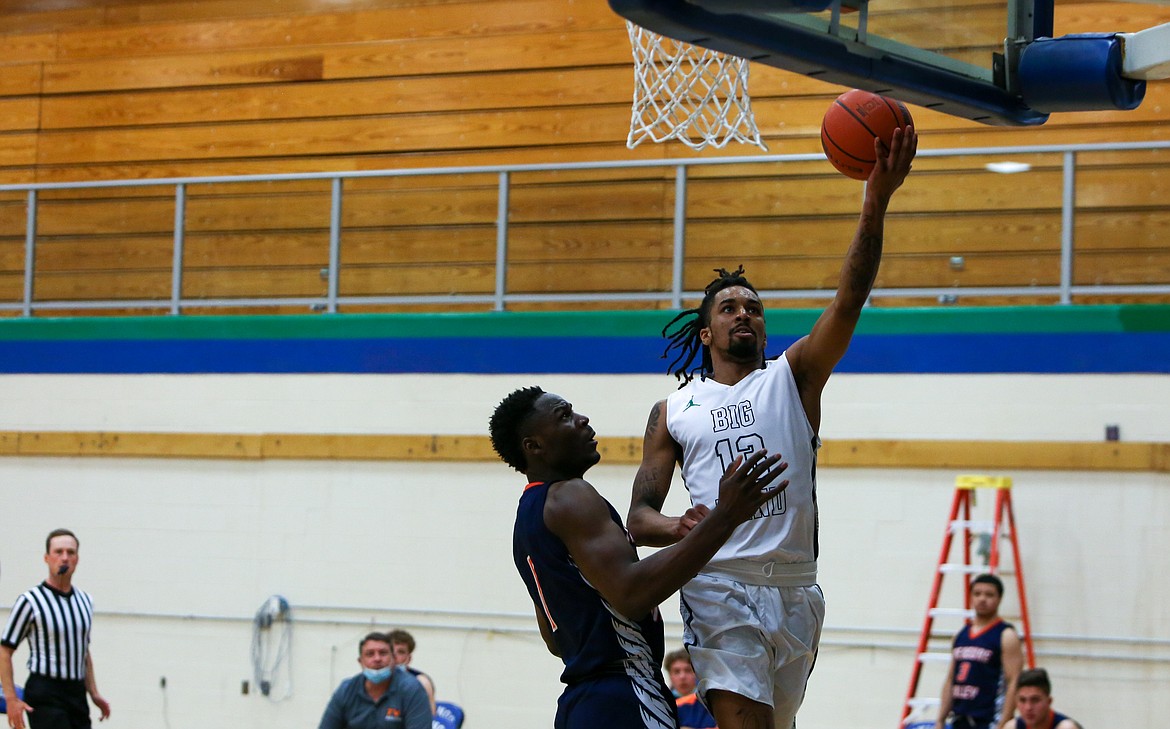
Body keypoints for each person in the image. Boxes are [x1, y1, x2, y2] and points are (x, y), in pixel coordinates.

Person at [627, 126, 918, 729]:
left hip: (796, 587)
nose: (744, 314)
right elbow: (638, 517)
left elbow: (849, 299)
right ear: (706, 333)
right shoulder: (672, 410)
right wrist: (677, 524)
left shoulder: (796, 376)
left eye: (753, 307)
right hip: (718, 580)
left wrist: (876, 201)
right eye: (729, 307)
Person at [490, 386, 789, 729]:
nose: (581, 419)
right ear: (534, 446)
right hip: (626, 696)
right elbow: (631, 595)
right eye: (564, 416)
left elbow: (555, 639)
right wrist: (726, 517)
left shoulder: (527, 519)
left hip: (582, 704)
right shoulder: (570, 496)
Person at [0, 529, 111, 729]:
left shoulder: (85, 601)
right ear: (47, 558)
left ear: (77, 559)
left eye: (71, 553)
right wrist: (11, 698)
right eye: (58, 552)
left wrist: (93, 692)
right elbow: (4, 650)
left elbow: (83, 651)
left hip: (76, 692)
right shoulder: (31, 601)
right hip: (46, 691)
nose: (64, 558)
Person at [936, 574, 1025, 729]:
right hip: (960, 718)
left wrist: (1004, 722)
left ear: (999, 599)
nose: (982, 599)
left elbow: (1014, 682)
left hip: (988, 720)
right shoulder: (960, 634)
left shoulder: (1006, 635)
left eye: (989, 594)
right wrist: (940, 720)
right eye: (977, 594)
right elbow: (951, 679)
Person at [318, 631, 431, 729]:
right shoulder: (346, 690)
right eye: (370, 654)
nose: (377, 659)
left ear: (393, 659)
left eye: (383, 653)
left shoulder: (412, 689)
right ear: (360, 661)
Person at [1010, 668, 1081, 729]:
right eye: (1022, 700)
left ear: (1049, 701)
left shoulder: (1066, 727)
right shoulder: (1012, 727)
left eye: (1035, 700)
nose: (1028, 707)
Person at [386, 630, 436, 715]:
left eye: (400, 652)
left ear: (408, 658)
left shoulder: (421, 682)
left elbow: (430, 717)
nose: (394, 655)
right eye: (391, 650)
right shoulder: (373, 679)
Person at [664, 649, 717, 729]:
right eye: (677, 671)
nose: (682, 677)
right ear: (670, 675)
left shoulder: (710, 703)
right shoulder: (663, 703)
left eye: (688, 670)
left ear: (696, 673)